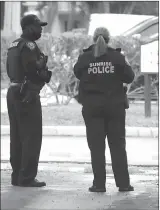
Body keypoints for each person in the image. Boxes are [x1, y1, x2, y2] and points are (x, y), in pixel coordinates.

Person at [73, 27, 135, 193]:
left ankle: (99, 184)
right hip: (115, 108)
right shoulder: (117, 57)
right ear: (108, 39)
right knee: (117, 146)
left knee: (96, 147)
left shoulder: (85, 57)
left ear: (94, 39)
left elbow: (77, 73)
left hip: (92, 108)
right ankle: (123, 184)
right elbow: (129, 77)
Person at [6, 14, 52, 187]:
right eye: (38, 26)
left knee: (17, 135)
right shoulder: (30, 46)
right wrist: (43, 73)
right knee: (31, 136)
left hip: (13, 91)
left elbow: (9, 68)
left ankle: (17, 175)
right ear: (28, 27)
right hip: (27, 93)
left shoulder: (14, 44)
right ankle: (26, 177)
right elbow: (33, 70)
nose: (41, 29)